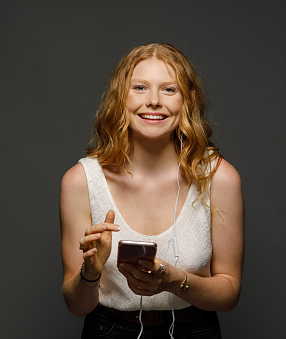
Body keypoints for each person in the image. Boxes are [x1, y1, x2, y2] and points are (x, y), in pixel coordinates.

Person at [60, 43, 244, 339]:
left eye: (169, 90)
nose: (154, 101)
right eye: (140, 87)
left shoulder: (220, 177)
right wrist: (91, 271)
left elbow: (230, 294)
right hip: (109, 330)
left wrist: (174, 281)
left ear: (187, 101)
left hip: (195, 330)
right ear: (121, 98)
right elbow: (76, 306)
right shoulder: (80, 181)